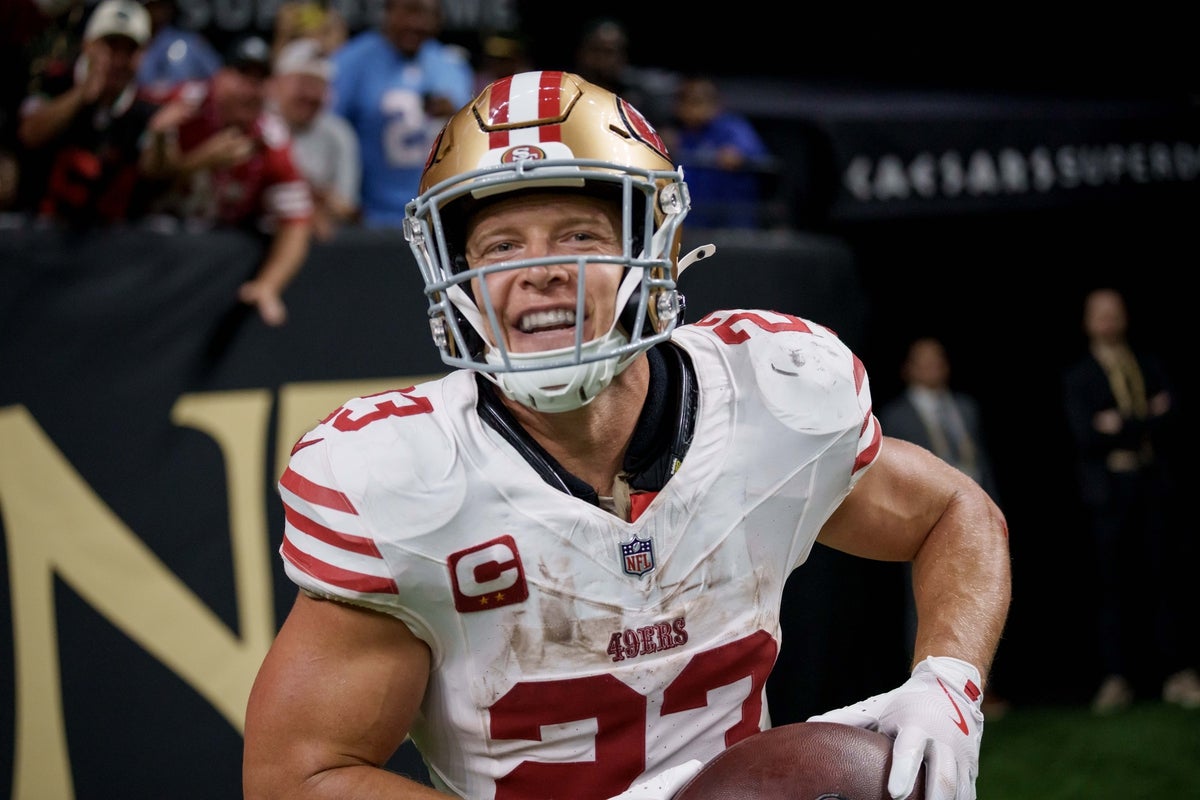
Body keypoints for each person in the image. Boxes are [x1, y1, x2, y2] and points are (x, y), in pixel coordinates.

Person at [242, 70, 1011, 800]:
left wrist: (949, 685)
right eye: (501, 245)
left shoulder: (767, 399)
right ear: (458, 275)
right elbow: (297, 777)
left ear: (652, 252)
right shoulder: (411, 476)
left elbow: (953, 512)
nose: (538, 270)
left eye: (578, 235)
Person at [1062, 287, 1200, 713]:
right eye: (1100, 314)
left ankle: (1178, 674)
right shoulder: (1079, 376)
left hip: (1154, 484)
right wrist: (1143, 421)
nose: (1109, 321)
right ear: (1088, 322)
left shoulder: (1149, 365)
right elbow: (1085, 435)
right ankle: (1117, 678)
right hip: (1110, 493)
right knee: (1113, 585)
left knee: (1166, 578)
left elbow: (1174, 418)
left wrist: (1120, 425)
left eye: (1115, 313)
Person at [878, 336, 1010, 716]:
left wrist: (992, 510)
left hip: (974, 520)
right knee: (924, 604)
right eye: (924, 361)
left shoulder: (965, 407)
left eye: (938, 360)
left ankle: (980, 690)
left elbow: (981, 461)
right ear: (908, 368)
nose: (932, 367)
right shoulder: (896, 415)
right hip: (926, 523)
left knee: (981, 600)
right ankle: (929, 695)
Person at [150, 34, 313, 327]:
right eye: (242, 75)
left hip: (209, 262)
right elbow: (140, 183)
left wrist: (268, 284)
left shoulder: (269, 138)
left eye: (259, 79)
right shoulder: (184, 107)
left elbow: (297, 221)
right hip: (148, 254)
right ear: (219, 76)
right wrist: (198, 162)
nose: (250, 90)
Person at [16, 0, 175, 226]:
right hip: (36, 232)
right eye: (111, 46)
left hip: (109, 243)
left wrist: (160, 137)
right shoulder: (53, 81)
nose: (119, 60)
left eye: (129, 50)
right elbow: (29, 135)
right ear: (88, 45)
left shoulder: (145, 109)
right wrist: (82, 95)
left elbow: (155, 177)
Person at [329, 0, 474, 227]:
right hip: (370, 218)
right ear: (388, 11)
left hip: (439, 215)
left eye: (429, 14)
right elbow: (329, 133)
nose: (418, 23)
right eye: (410, 10)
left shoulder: (451, 65)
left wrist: (456, 116)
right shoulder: (350, 62)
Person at [268, 37, 360, 240]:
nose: (309, 95)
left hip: (319, 241)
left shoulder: (338, 134)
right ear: (276, 85)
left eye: (318, 86)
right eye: (301, 84)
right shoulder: (259, 125)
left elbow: (345, 208)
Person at [660, 75, 774, 230]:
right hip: (688, 222)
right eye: (687, 101)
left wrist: (736, 156)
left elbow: (755, 156)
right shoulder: (674, 134)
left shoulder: (732, 128)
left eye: (700, 101)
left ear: (715, 103)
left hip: (730, 222)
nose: (693, 108)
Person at [570, 17, 677, 128]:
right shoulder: (567, 92)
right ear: (581, 52)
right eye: (595, 50)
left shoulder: (640, 98)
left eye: (609, 52)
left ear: (622, 56)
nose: (601, 59)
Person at [135, 0, 221, 103]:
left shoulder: (192, 42)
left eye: (160, 6)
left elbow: (220, 80)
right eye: (151, 7)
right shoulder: (131, 47)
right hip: (141, 112)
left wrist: (190, 92)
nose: (156, 12)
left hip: (187, 111)